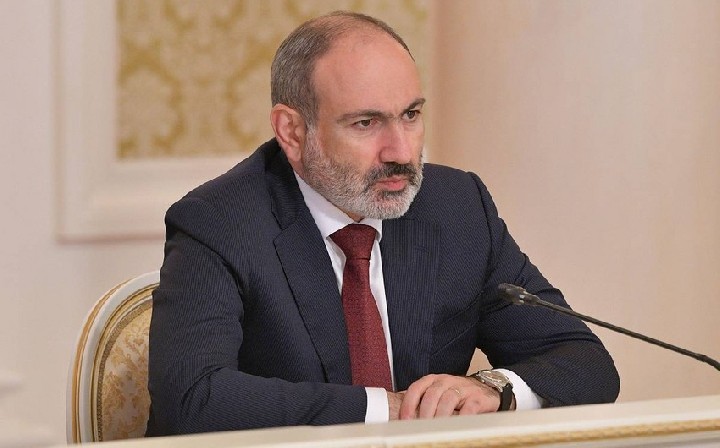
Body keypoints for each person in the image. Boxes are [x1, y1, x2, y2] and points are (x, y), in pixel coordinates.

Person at [146, 11, 619, 436]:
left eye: (410, 115)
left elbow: (585, 362)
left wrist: (494, 388)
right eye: (366, 123)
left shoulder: (456, 207)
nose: (401, 151)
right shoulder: (219, 223)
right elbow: (191, 400)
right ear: (292, 131)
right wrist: (386, 409)